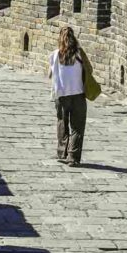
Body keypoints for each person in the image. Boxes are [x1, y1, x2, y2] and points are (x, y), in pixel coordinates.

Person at [48, 26, 89, 167]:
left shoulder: (54, 55)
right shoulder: (79, 53)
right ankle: (73, 157)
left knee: (62, 123)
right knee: (77, 127)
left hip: (61, 95)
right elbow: (90, 69)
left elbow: (50, 74)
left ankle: (62, 152)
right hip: (78, 94)